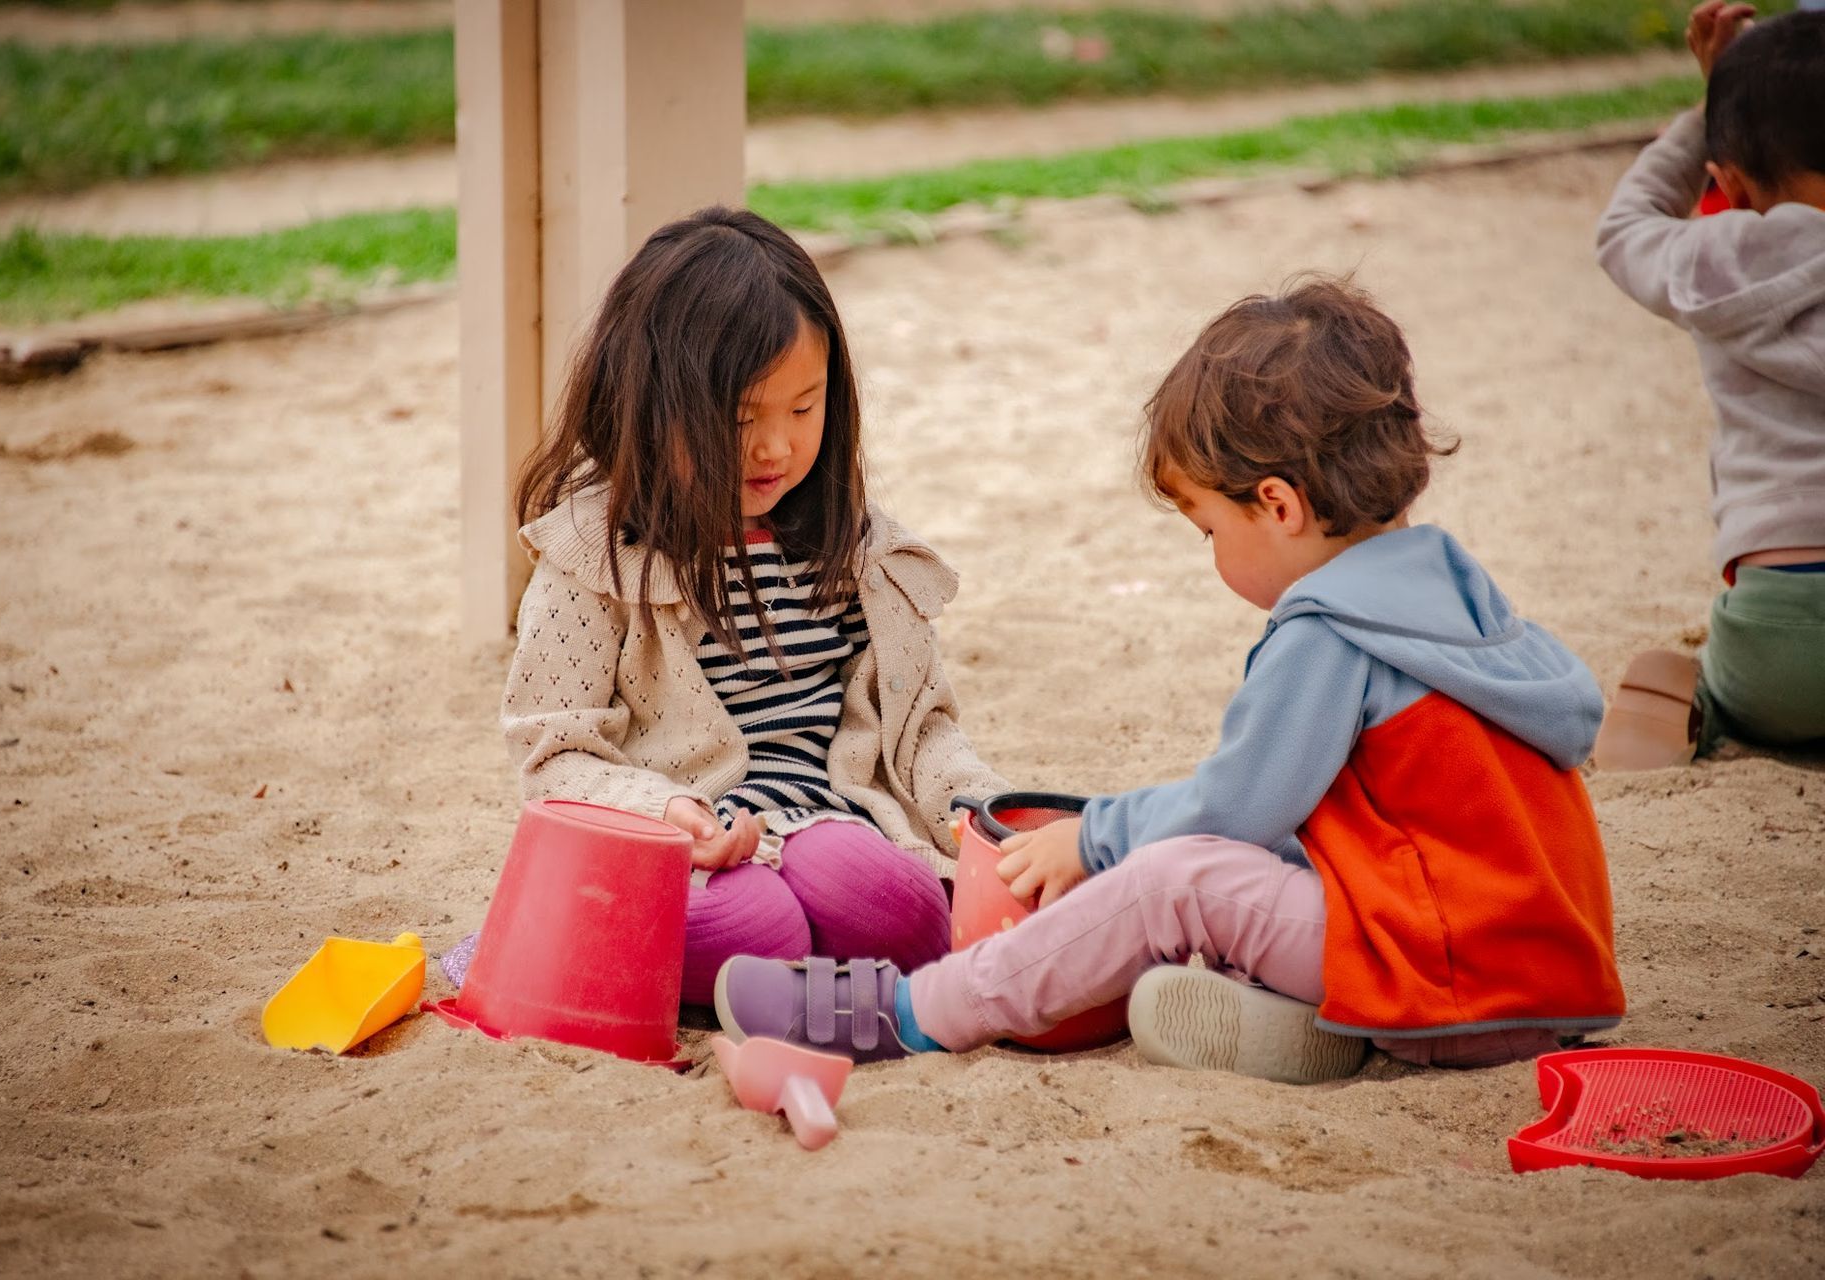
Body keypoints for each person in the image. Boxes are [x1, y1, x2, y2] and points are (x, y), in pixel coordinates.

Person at [714, 278, 1625, 1081]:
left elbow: (1233, 813)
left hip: (1448, 972)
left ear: (1277, 504)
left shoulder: (1330, 632)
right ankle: (1302, 1027)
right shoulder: (1454, 588)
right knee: (1236, 871)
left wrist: (1098, 836)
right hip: (1542, 978)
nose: (1212, 554)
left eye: (1208, 529)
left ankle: (908, 1014)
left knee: (1171, 882)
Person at [441, 206, 1008, 1005]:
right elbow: (554, 752)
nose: (775, 447)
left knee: (896, 907)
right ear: (651, 405)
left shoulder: (862, 551)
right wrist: (669, 809)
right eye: (741, 419)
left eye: (803, 409)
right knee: (756, 931)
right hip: (680, 843)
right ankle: (798, 978)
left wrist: (981, 809)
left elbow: (922, 732)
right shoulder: (597, 556)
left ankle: (796, 988)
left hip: (827, 820)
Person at [1592, 1, 1825, 769]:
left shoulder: (1712, 259)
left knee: (1735, 688)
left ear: (1727, 181)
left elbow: (1624, 227)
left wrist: (1708, 108)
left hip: (1774, 640)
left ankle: (1712, 709)